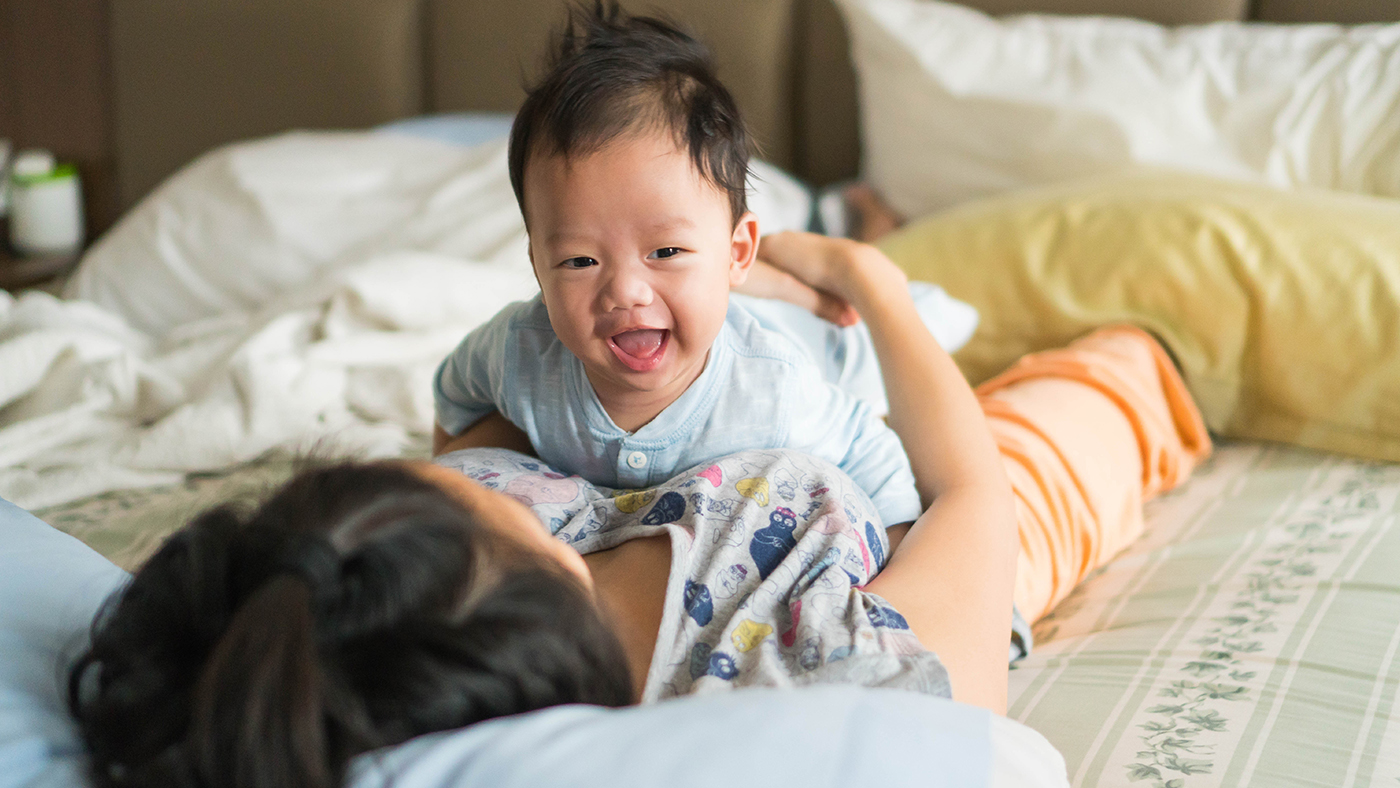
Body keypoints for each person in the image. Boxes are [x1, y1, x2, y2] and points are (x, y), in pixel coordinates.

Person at [68, 228, 1210, 788]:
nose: (447, 469)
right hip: (917, 503)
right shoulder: (823, 659)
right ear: (527, 579)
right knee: (1099, 382)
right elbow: (971, 492)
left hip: (735, 422)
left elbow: (473, 440)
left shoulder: (403, 582)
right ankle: (1153, 345)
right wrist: (872, 285)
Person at [431, 5, 964, 534]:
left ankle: (860, 245)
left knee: (877, 333)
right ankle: (769, 264)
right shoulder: (517, 350)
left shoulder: (774, 388)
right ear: (538, 266)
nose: (625, 292)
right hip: (712, 294)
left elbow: (872, 453)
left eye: (664, 251)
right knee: (698, 286)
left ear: (737, 251)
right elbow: (456, 390)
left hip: (820, 337)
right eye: (580, 261)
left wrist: (896, 547)